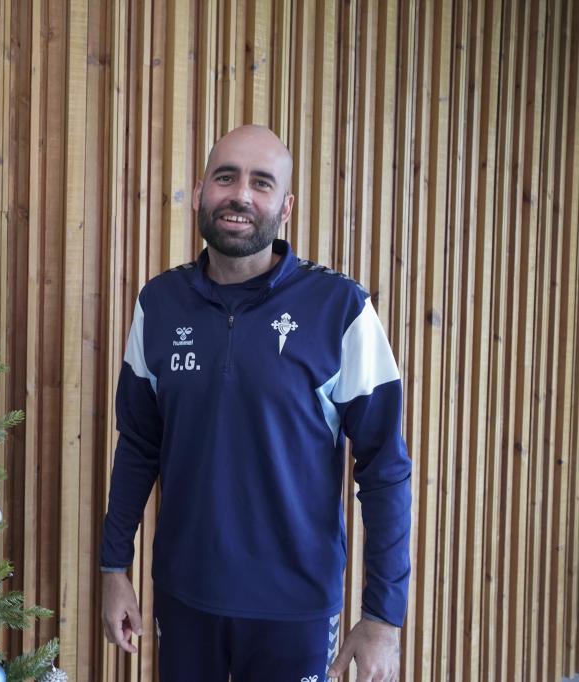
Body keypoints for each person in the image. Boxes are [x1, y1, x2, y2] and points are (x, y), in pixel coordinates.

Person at [99, 124, 412, 682]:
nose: (240, 195)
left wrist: (383, 617)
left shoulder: (339, 307)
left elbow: (385, 466)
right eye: (226, 177)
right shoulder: (159, 302)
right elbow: (139, 445)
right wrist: (113, 566)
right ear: (200, 194)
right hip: (185, 598)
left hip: (295, 612)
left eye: (261, 183)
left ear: (285, 207)